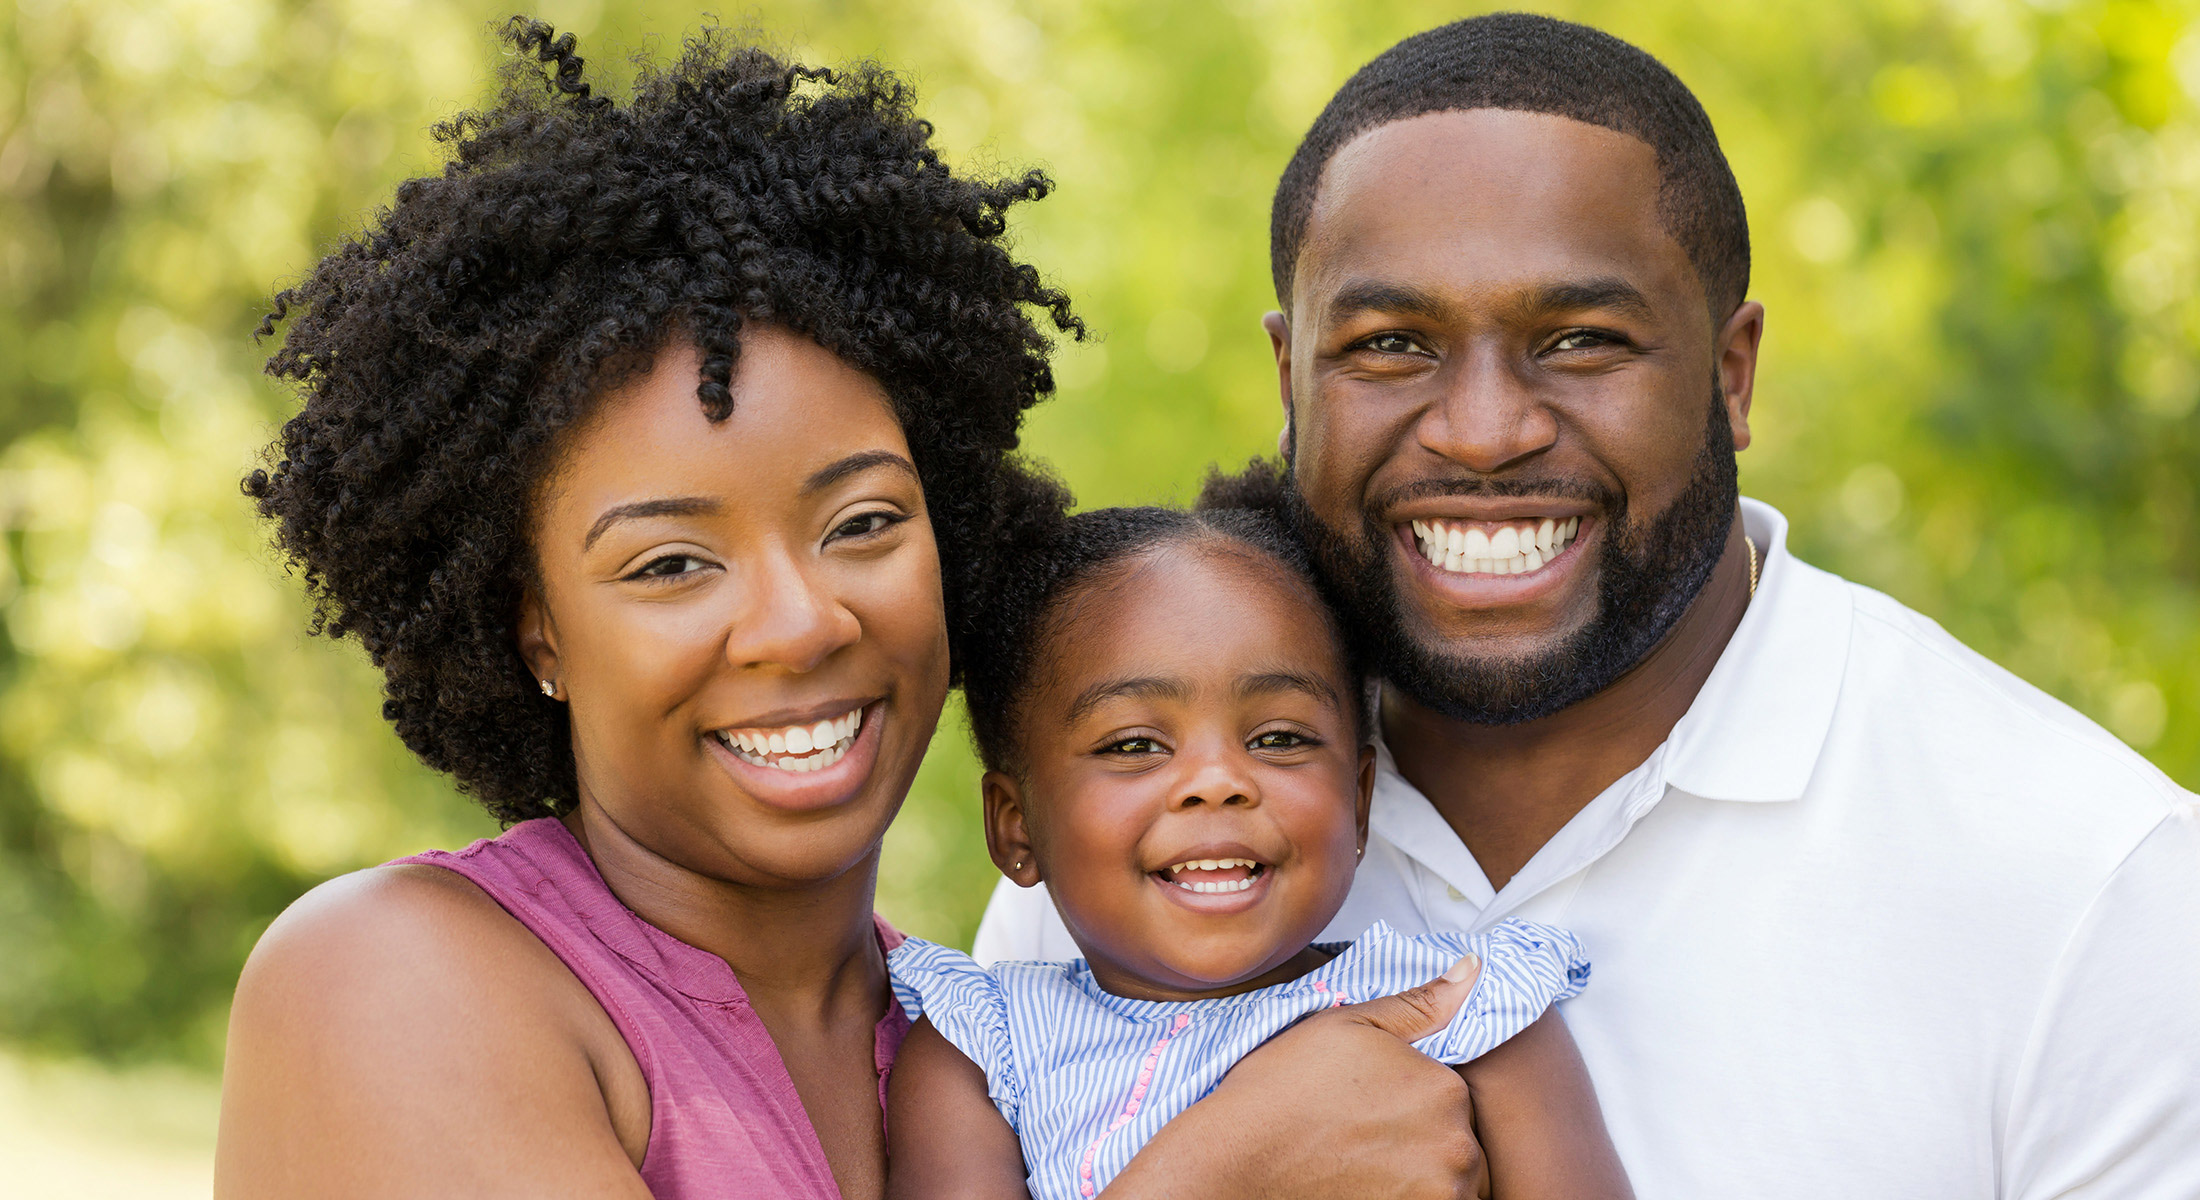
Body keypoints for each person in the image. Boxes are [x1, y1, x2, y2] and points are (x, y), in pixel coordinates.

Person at [216, 18, 1518, 1200]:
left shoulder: (993, 1050)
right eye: (671, 564)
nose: (798, 624)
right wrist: (1217, 1174)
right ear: (535, 628)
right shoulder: (398, 978)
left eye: (862, 525)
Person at [975, 14, 2200, 1198]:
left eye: (1580, 341)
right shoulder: (1137, 831)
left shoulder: (2090, 888)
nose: (1483, 432)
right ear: (1290, 379)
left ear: (1730, 375)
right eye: (1392, 343)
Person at [882, 504, 1627, 1199]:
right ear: (1016, 828)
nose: (1218, 782)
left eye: (1279, 738)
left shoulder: (1472, 1013)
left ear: (1358, 802)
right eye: (1135, 745)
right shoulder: (984, 1055)